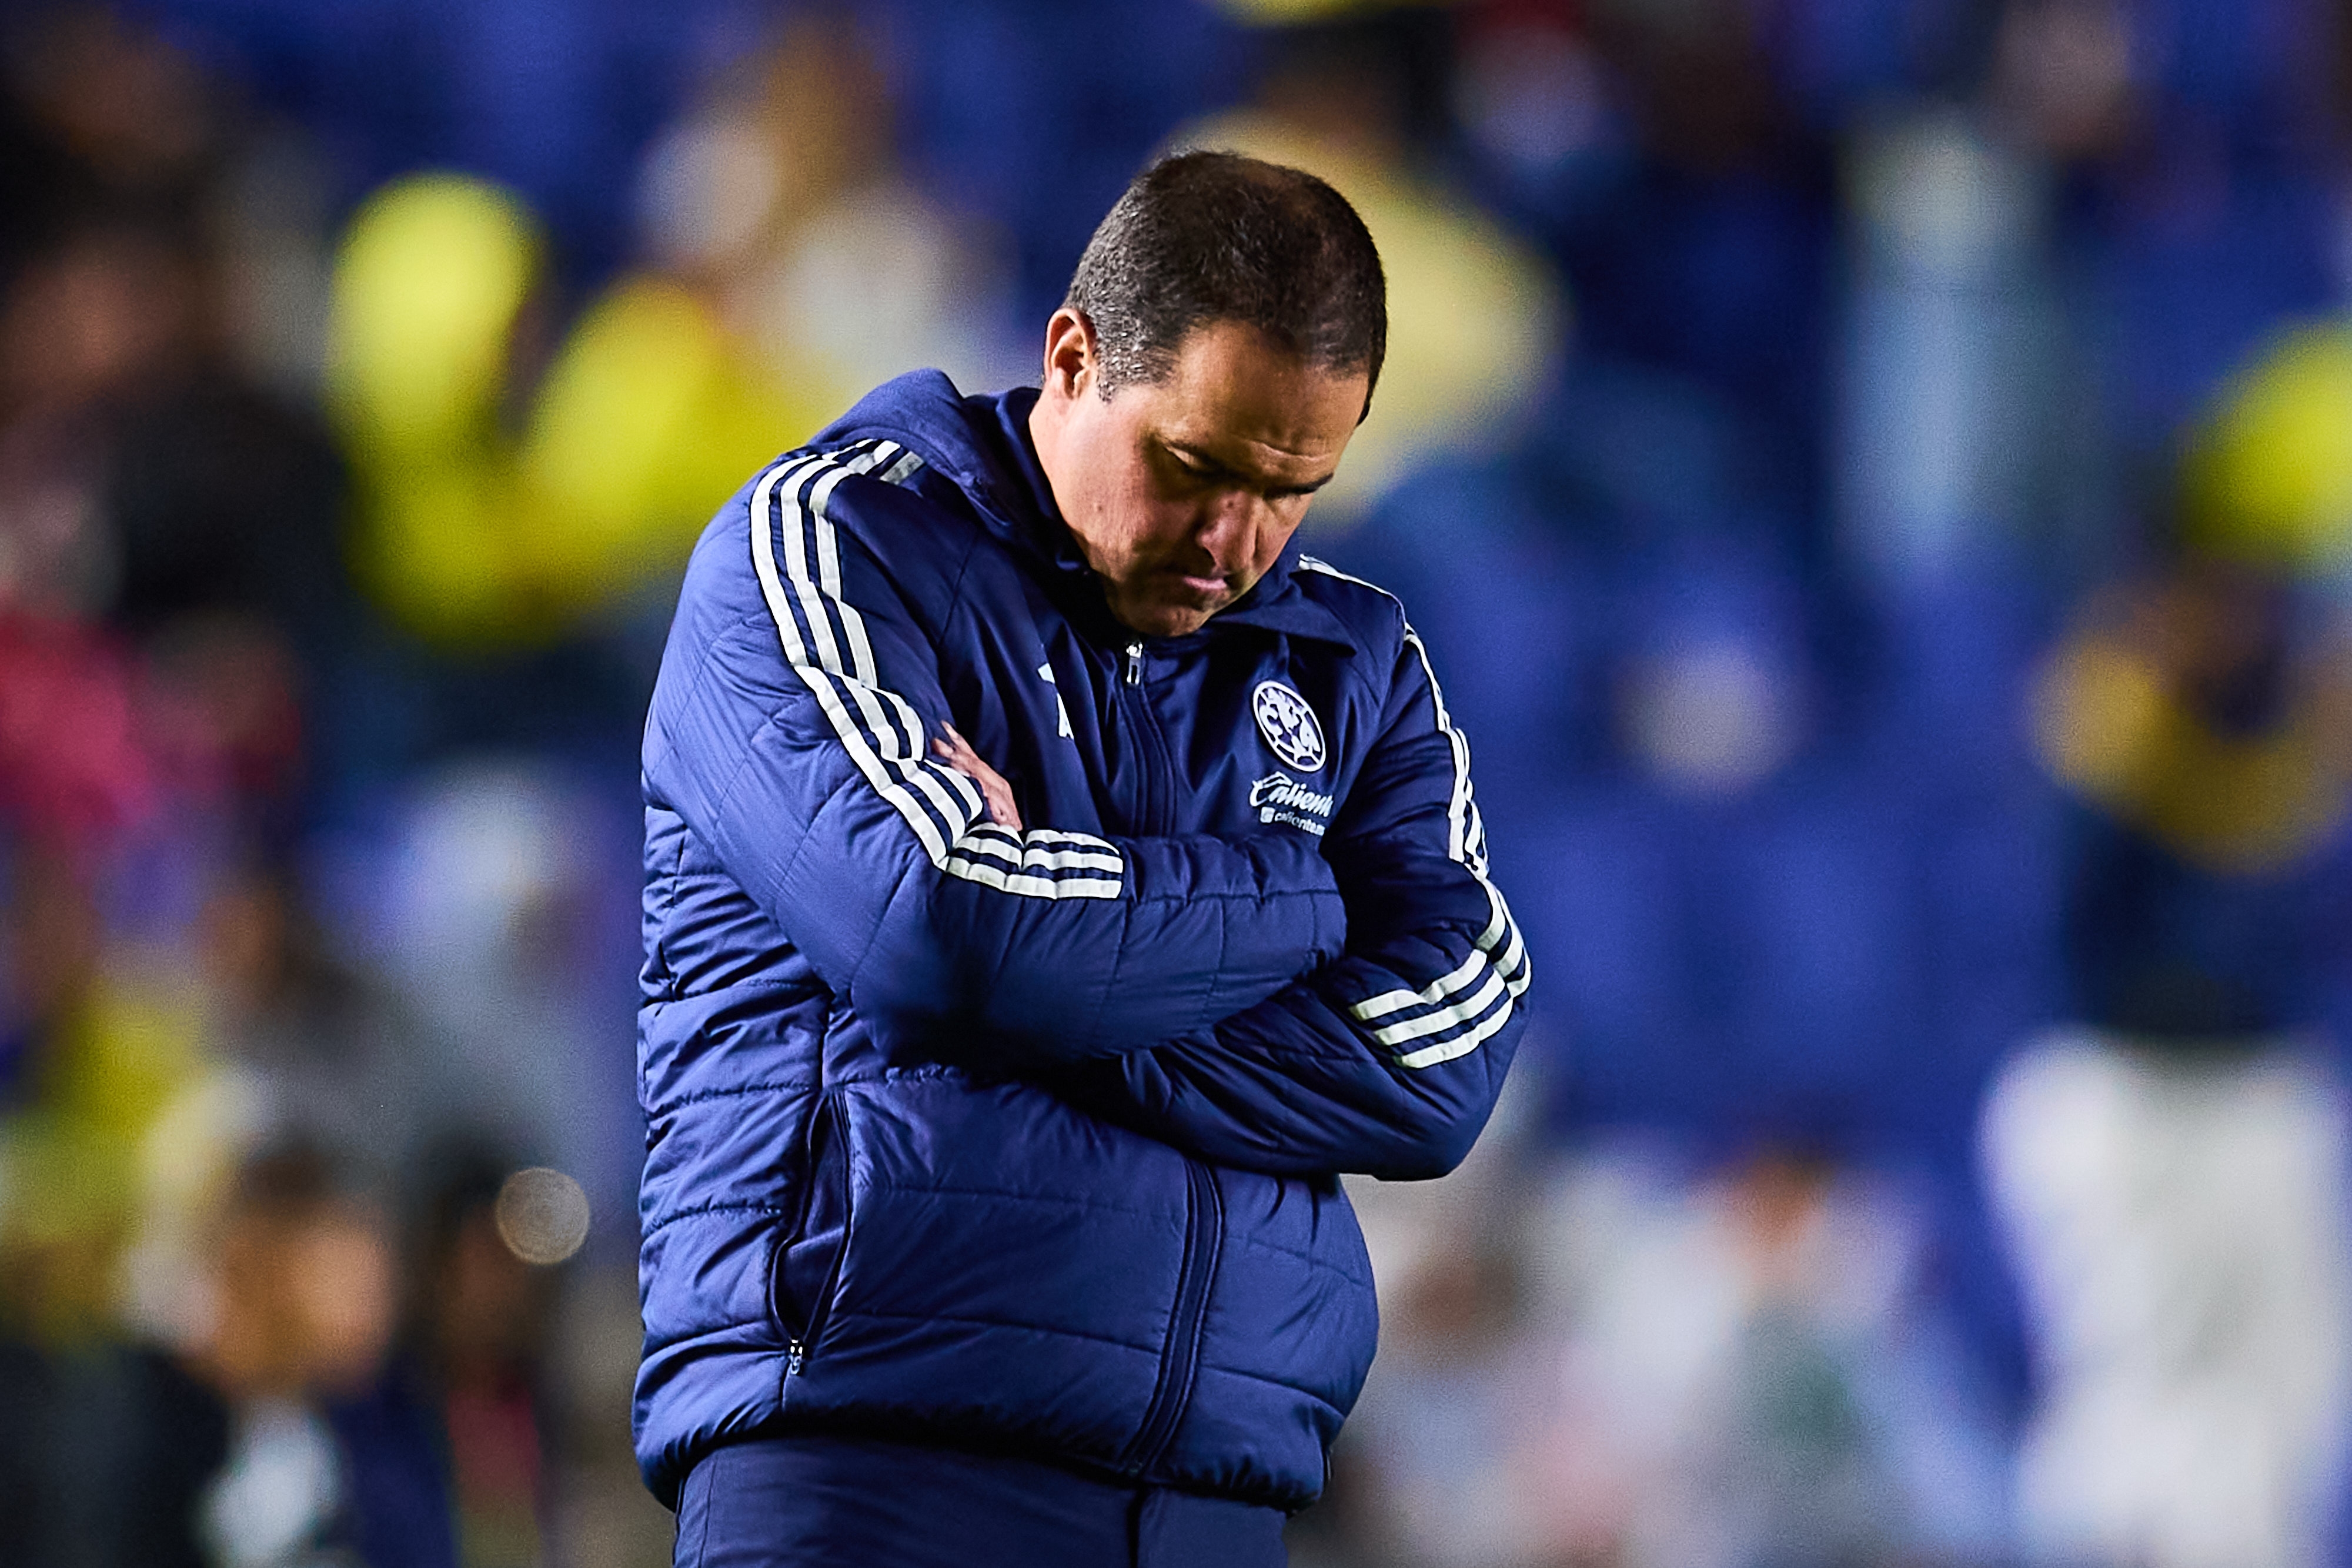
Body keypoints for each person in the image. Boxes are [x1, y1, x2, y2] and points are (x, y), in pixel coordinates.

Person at [634, 150, 1531, 1567]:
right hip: (865, 1464)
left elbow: (1440, 1071)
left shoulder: (1353, 661)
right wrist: (1302, 898)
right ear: (1071, 356)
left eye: (1291, 490)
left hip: (1213, 1501)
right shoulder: (830, 542)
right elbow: (945, 934)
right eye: (1193, 465)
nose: (1231, 542)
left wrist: (1058, 972)